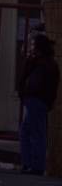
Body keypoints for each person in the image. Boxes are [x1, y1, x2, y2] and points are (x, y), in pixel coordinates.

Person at [18, 34, 58, 176]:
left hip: (37, 100)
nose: (32, 48)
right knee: (30, 131)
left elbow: (35, 83)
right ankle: (31, 163)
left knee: (33, 132)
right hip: (37, 100)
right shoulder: (41, 63)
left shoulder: (44, 64)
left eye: (34, 45)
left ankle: (34, 164)